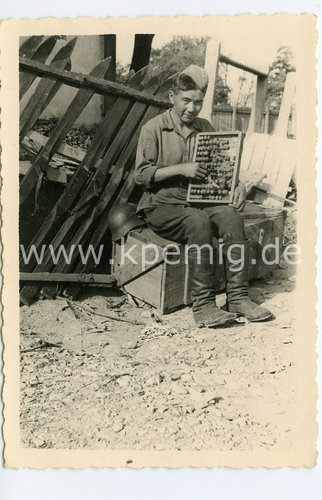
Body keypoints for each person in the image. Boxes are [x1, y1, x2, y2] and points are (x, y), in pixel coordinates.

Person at [134, 65, 273, 327]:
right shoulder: (153, 129)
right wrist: (180, 170)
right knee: (198, 222)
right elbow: (140, 176)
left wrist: (238, 186)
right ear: (172, 97)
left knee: (231, 216)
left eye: (198, 102)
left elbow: (223, 169)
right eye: (185, 101)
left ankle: (238, 298)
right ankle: (204, 305)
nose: (191, 108)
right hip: (163, 205)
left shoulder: (205, 127)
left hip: (200, 200)